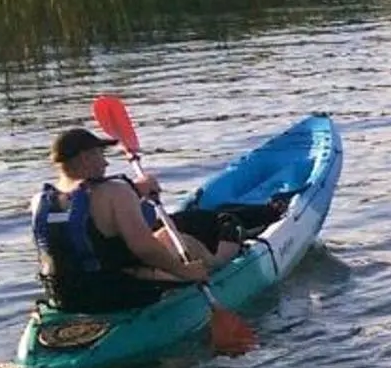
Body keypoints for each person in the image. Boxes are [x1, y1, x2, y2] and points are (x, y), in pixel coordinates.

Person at [31, 127, 241, 314]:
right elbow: (144, 249)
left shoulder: (39, 201)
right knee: (186, 241)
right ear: (85, 157)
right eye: (100, 154)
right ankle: (222, 263)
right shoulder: (115, 191)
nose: (105, 162)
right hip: (114, 296)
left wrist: (137, 190)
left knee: (164, 238)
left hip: (63, 299)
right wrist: (184, 272)